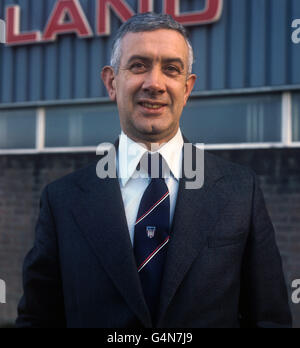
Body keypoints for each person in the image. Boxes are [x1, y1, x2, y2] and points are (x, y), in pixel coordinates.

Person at [16, 13, 292, 328]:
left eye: (171, 70)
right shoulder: (61, 201)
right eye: (138, 66)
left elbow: (270, 319)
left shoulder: (241, 191)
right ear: (111, 82)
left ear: (187, 88)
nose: (154, 84)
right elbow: (38, 319)